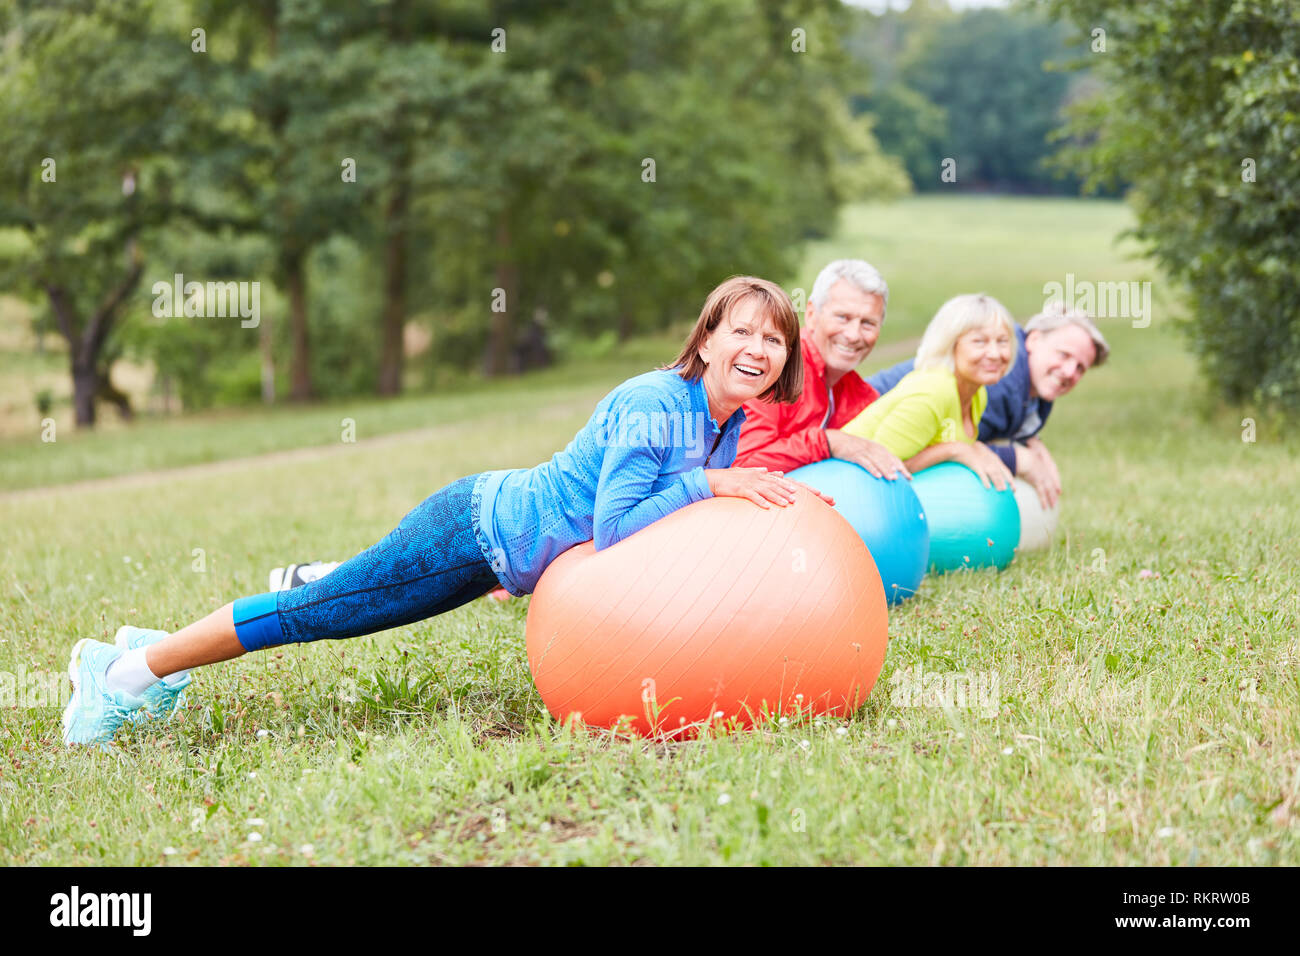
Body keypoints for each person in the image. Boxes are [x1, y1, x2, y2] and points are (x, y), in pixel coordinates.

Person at [62, 276, 831, 748]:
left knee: (340, 595)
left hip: (498, 552)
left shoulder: (725, 422)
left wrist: (783, 512)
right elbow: (621, 527)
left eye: (775, 338)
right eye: (743, 330)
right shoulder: (655, 405)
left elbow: (686, 532)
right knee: (315, 616)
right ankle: (124, 673)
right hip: (475, 534)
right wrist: (713, 489)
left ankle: (286, 592)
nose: (759, 348)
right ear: (706, 338)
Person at [866, 302, 1109, 507]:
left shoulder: (1034, 388)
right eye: (1064, 355)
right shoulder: (997, 380)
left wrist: (1032, 441)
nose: (1069, 372)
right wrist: (1018, 458)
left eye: (1080, 367)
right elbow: (950, 445)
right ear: (1034, 339)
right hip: (863, 428)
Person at [734, 259, 908, 480]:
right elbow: (741, 467)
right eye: (842, 317)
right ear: (812, 314)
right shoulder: (774, 368)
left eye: (868, 323)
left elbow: (891, 459)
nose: (853, 334)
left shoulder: (863, 397)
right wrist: (827, 442)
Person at [841, 294, 1018, 487]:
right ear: (951, 345)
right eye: (979, 342)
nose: (994, 354)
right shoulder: (934, 391)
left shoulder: (977, 393)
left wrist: (976, 447)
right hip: (845, 486)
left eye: (1002, 341)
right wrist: (955, 450)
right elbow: (881, 464)